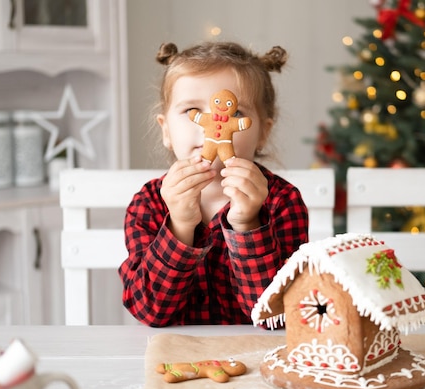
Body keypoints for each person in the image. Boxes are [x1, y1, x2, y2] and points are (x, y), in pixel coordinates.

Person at [119, 41, 309, 327]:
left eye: (235, 114)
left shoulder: (282, 201)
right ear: (166, 130)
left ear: (262, 133)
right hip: (177, 359)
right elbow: (151, 312)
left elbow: (278, 318)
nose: (210, 126)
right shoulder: (149, 204)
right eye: (192, 111)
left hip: (257, 361)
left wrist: (249, 225)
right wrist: (180, 226)